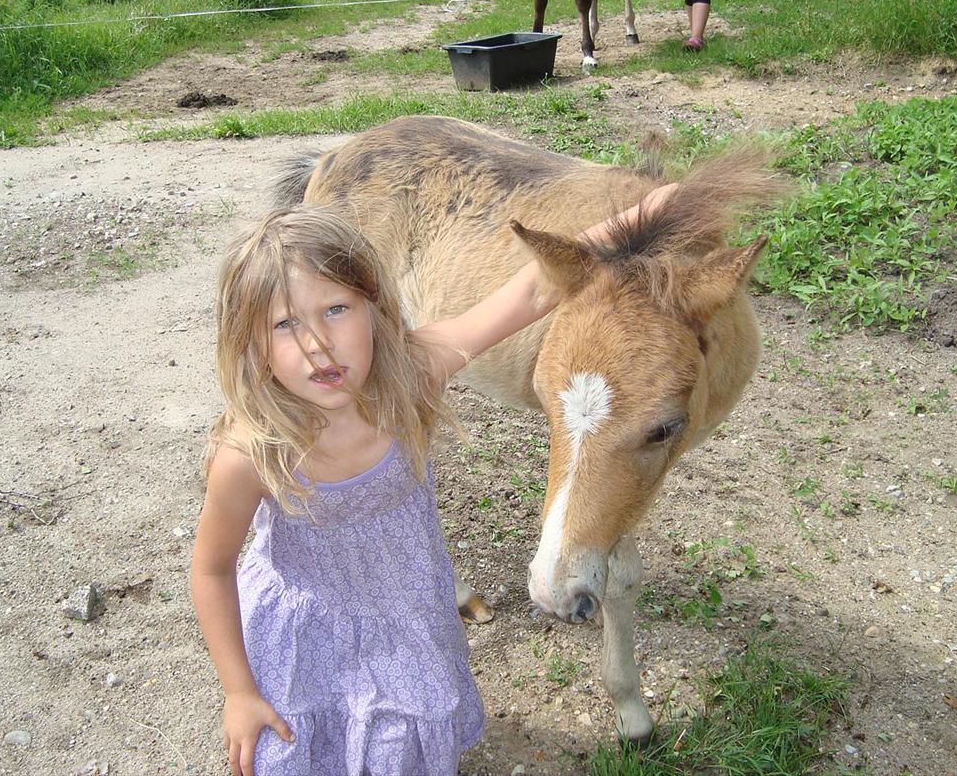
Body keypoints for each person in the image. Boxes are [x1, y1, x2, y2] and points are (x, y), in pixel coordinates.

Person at [190, 190, 676, 776]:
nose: (317, 344)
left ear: (376, 305)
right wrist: (239, 693)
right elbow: (212, 569)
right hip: (307, 639)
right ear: (253, 344)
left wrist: (651, 212)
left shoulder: (412, 376)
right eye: (285, 324)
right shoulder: (252, 453)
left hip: (408, 621)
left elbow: (533, 288)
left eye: (336, 310)